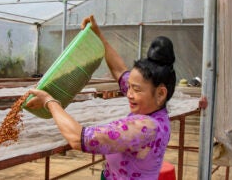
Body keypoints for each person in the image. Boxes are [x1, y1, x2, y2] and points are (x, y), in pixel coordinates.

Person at [26, 15, 176, 180]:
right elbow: (120, 71)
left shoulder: (145, 128)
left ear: (161, 93)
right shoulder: (151, 106)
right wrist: (98, 36)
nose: (128, 93)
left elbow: (79, 138)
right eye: (130, 86)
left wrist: (50, 102)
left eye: (136, 89)